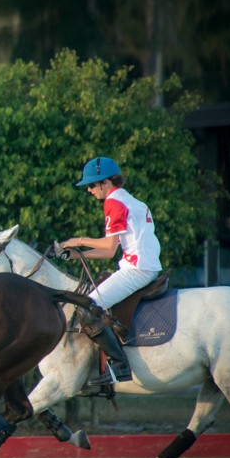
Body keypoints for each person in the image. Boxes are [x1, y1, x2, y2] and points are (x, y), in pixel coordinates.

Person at [58, 156, 162, 385]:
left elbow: (108, 246)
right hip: (146, 266)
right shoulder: (132, 200)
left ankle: (119, 365)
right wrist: (76, 255)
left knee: (87, 307)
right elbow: (109, 252)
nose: (89, 190)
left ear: (105, 182)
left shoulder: (113, 202)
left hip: (137, 270)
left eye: (92, 185)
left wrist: (78, 240)